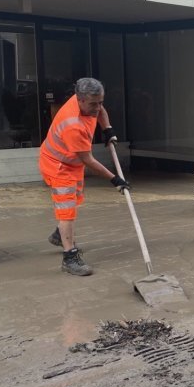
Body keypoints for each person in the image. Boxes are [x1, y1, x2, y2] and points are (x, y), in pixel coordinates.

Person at [39, 77, 129, 276]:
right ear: (79, 100)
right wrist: (114, 179)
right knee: (67, 210)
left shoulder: (90, 102)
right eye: (93, 104)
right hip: (58, 166)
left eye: (100, 102)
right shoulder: (73, 125)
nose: (97, 108)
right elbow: (88, 160)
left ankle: (59, 234)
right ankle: (69, 257)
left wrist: (108, 130)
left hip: (71, 162)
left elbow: (100, 111)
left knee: (74, 200)